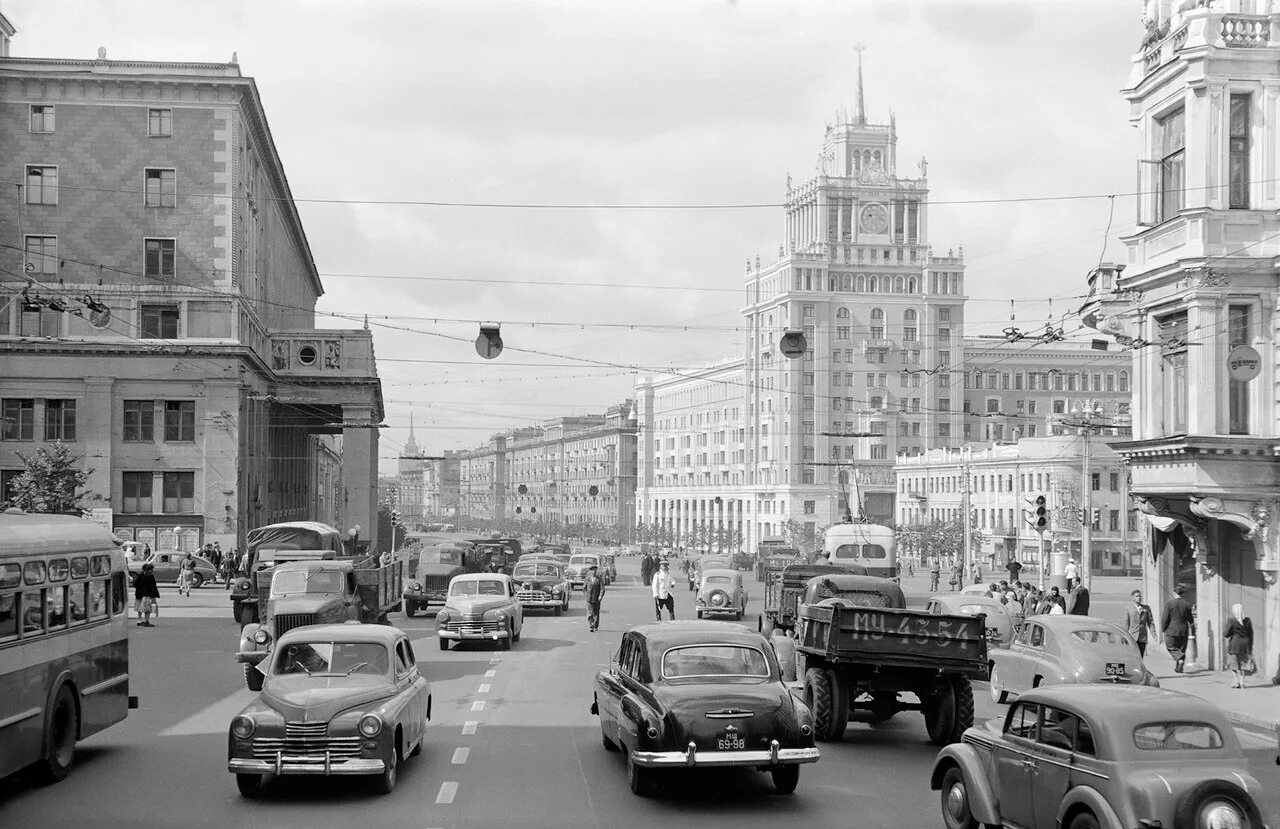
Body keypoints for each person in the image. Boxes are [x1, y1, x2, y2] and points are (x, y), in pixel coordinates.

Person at [1161, 585, 1195, 673]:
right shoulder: (1186, 604)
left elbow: (1165, 618)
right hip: (1184, 630)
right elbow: (1191, 620)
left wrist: (1163, 628)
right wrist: (1193, 633)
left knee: (1170, 647)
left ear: (1174, 593)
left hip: (1171, 630)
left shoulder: (1169, 604)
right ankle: (1179, 668)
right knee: (1181, 649)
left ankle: (1179, 660)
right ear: (1182, 594)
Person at [1224, 604, 1253, 689]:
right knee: (1243, 664)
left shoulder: (1231, 620)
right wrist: (1250, 647)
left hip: (1235, 645)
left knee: (1233, 664)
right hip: (1245, 645)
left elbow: (1226, 634)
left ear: (1234, 611)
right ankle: (1242, 682)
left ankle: (1236, 681)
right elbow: (1250, 634)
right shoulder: (1247, 621)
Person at [1124, 590, 1157, 658]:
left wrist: (1154, 635)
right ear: (1133, 598)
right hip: (1132, 636)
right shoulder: (1128, 608)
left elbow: (1150, 622)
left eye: (1139, 596)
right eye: (1136, 596)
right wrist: (1125, 636)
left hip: (1142, 637)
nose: (1139, 597)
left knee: (1140, 657)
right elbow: (1127, 624)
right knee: (1132, 656)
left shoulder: (1146, 608)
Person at [134, 562, 161, 627]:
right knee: (147, 609)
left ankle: (139, 620)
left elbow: (135, 584)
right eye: (152, 569)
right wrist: (155, 595)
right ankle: (147, 621)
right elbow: (153, 586)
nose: (152, 571)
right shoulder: (150, 576)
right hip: (148, 594)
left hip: (141, 594)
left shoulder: (141, 576)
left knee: (141, 608)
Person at [583, 564, 605, 633]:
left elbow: (602, 589)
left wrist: (600, 596)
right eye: (593, 571)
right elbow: (584, 588)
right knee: (590, 613)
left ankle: (595, 625)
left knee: (596, 613)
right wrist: (586, 594)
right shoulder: (587, 579)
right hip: (589, 599)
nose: (594, 572)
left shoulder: (599, 579)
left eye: (595, 570)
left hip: (596, 599)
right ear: (590, 571)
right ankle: (591, 625)